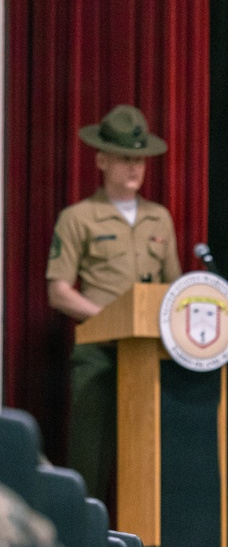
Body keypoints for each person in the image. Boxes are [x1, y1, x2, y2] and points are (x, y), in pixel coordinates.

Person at [46, 105, 181, 502]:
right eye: (125, 158)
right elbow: (59, 290)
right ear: (102, 159)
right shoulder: (79, 218)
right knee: (90, 463)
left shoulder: (160, 219)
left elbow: (173, 289)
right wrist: (115, 319)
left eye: (140, 159)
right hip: (99, 357)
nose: (134, 168)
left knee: (148, 465)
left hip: (147, 356)